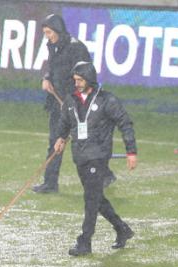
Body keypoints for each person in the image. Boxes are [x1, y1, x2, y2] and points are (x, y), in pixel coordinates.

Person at [53, 61, 137, 256]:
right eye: (75, 80)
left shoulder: (107, 100)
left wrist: (131, 151)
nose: (77, 83)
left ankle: (85, 241)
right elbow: (65, 122)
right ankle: (121, 228)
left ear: (90, 79)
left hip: (98, 156)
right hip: (80, 156)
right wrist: (60, 137)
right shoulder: (71, 100)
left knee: (90, 198)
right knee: (96, 198)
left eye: (80, 80)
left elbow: (125, 123)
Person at [32, 14, 116, 193]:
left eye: (49, 32)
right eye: (45, 33)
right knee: (55, 141)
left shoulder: (76, 48)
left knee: (84, 143)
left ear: (58, 30)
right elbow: (53, 68)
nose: (47, 36)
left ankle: (105, 174)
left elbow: (86, 75)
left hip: (76, 104)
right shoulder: (53, 46)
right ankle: (50, 183)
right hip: (57, 103)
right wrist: (47, 78)